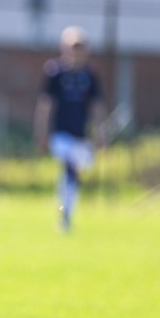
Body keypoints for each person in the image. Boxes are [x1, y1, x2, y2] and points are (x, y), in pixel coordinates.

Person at [33, 26, 105, 232]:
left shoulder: (90, 75)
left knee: (71, 178)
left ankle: (65, 213)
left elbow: (97, 106)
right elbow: (45, 105)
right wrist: (42, 133)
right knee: (70, 169)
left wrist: (100, 132)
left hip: (80, 136)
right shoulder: (55, 72)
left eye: (80, 47)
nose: (76, 52)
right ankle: (62, 215)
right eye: (73, 47)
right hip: (61, 135)